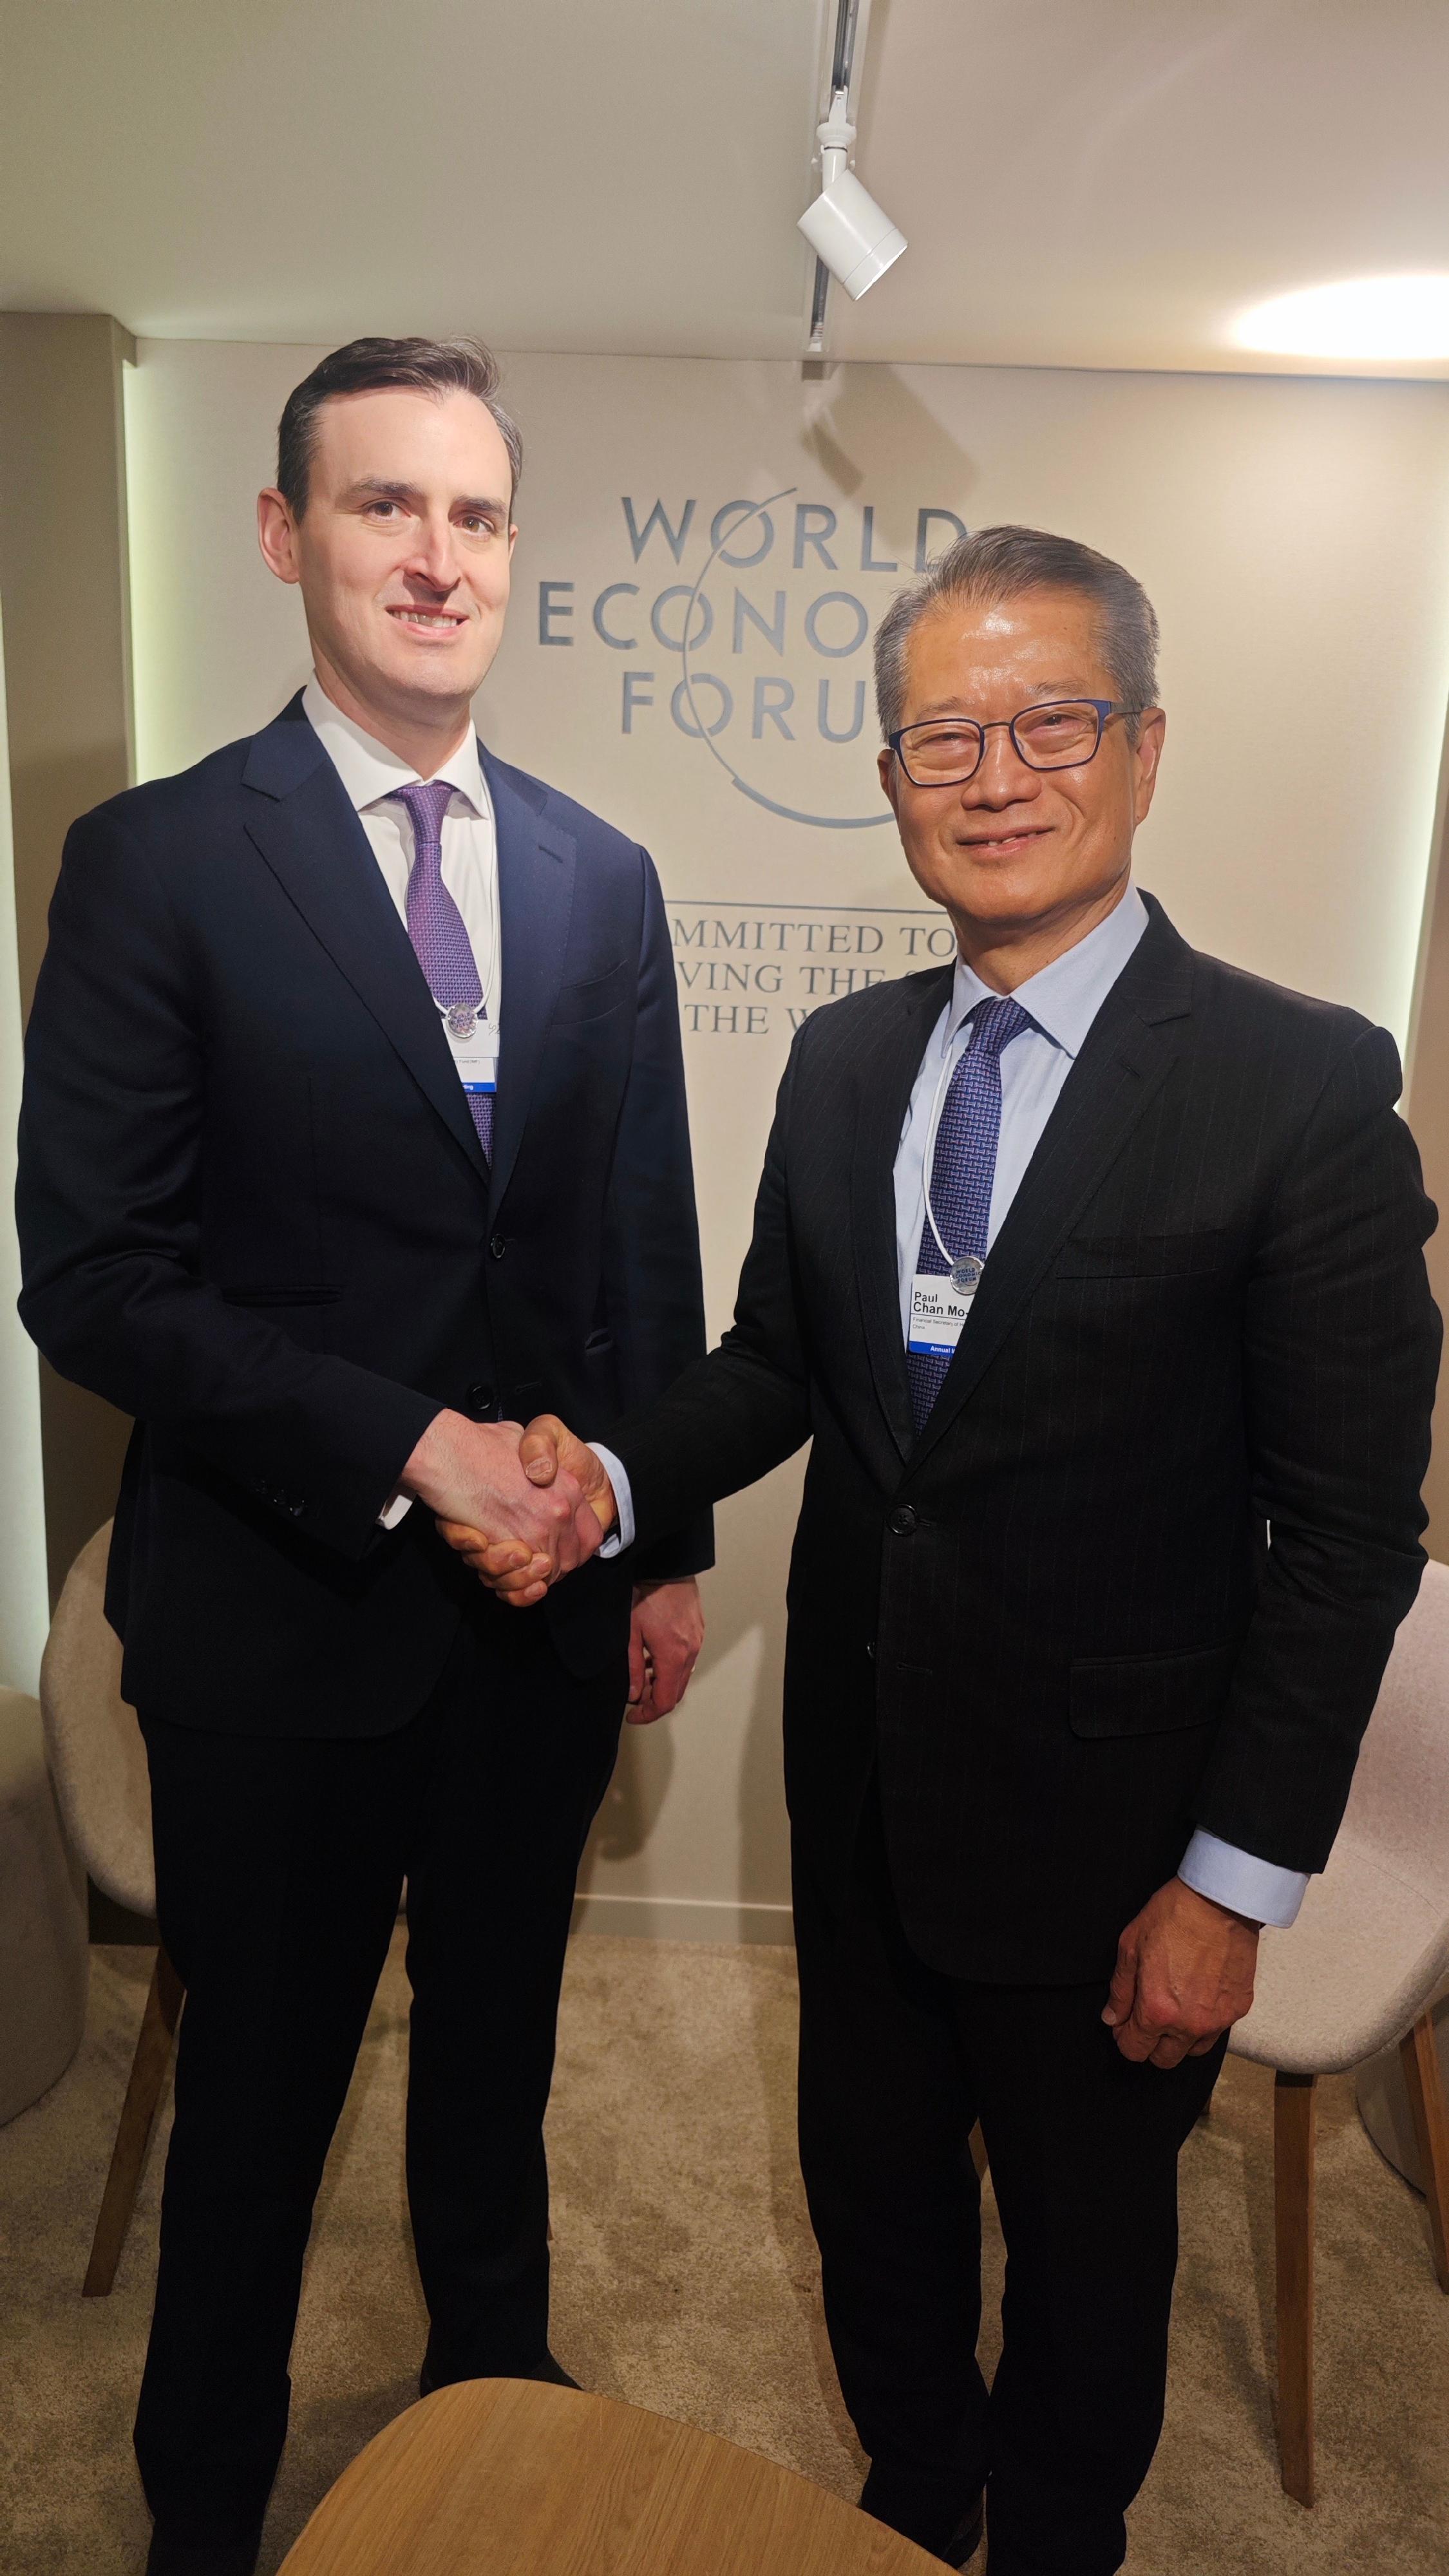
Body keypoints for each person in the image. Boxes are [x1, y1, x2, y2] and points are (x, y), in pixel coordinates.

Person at [444, 527, 1441, 2576]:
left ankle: (1058, 2532)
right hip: (870, 1791)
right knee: (870, 2202)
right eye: (936, 739)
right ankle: (913, 2497)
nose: (992, 775)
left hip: (1118, 1844)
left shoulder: (1302, 1087)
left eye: (1046, 721)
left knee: (1085, 2267)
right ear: (891, 780)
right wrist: (603, 1482)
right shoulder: (840, 1063)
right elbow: (773, 1372)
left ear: (1143, 748)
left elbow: (1346, 1541)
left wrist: (1228, 1883)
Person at [16, 335, 710, 2576]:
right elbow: (96, 1279)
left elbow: (633, 1243)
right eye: (384, 505)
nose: (435, 554)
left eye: (476, 514)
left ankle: (491, 2432)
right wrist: (417, 1445)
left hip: (533, 1621)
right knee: (256, 2121)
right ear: (284, 536)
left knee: (495, 2090)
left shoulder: (603, 880)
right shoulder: (153, 863)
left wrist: (650, 1522)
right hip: (276, 1617)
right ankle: (201, 2514)